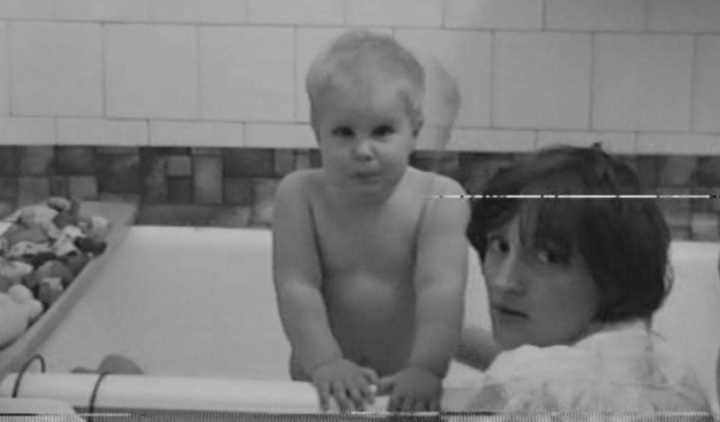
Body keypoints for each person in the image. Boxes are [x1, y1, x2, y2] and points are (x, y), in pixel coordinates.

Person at [272, 30, 469, 413]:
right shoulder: (300, 195)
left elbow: (441, 290)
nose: (363, 150)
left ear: (414, 131)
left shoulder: (439, 198)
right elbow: (297, 286)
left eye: (382, 131)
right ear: (318, 132)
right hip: (321, 384)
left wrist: (427, 367)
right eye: (344, 132)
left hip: (403, 385)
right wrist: (325, 362)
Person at [458, 145, 713, 415]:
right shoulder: (674, 373)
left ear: (613, 272)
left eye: (548, 257)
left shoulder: (519, 388)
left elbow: (534, 383)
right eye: (500, 246)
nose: (504, 281)